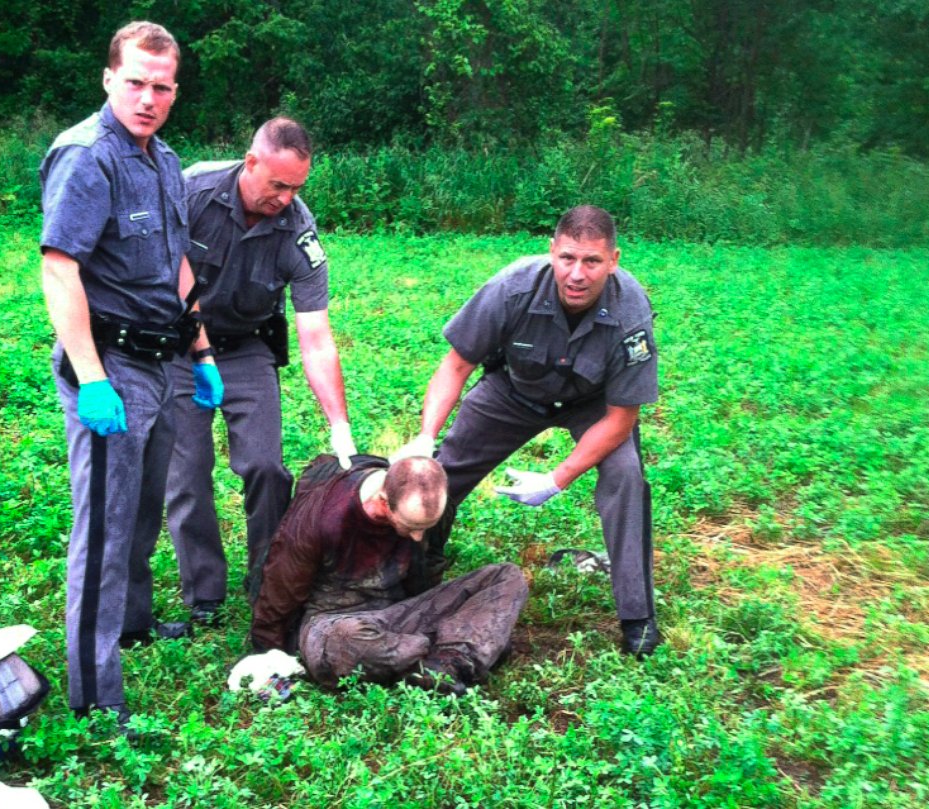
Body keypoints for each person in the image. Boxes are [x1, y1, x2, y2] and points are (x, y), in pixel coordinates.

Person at [39, 21, 223, 724]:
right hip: (109, 361)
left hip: (162, 359)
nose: (148, 97)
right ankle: (94, 692)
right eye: (136, 82)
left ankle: (134, 623)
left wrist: (201, 350)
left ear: (175, 91)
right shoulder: (87, 157)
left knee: (144, 508)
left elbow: (176, 262)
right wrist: (90, 378)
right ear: (109, 77)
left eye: (162, 86)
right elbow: (60, 268)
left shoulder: (163, 160)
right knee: (105, 527)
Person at [394, 205, 662, 658]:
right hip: (515, 391)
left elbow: (620, 418)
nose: (577, 274)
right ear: (552, 251)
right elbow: (457, 364)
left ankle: (637, 615)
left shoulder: (630, 313)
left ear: (613, 260)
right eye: (568, 258)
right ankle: (414, 568)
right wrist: (425, 437)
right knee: (440, 471)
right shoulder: (511, 287)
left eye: (592, 262)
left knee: (626, 477)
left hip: (592, 404)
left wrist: (557, 479)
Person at [165, 117, 356, 624]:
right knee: (186, 474)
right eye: (277, 185)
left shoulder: (299, 231)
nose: (286, 198)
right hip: (183, 346)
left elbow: (316, 336)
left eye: (296, 187)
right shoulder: (191, 192)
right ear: (250, 162)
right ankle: (204, 594)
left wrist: (340, 427)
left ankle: (267, 582)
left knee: (266, 468)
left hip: (247, 347)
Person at [250, 455, 528, 695]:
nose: (419, 536)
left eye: (425, 528)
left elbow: (430, 570)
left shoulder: (432, 511)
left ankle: (439, 663)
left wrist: (435, 608)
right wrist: (267, 654)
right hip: (334, 622)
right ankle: (450, 656)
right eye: (411, 527)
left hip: (402, 613)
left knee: (507, 577)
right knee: (345, 641)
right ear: (383, 502)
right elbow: (280, 588)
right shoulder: (322, 519)